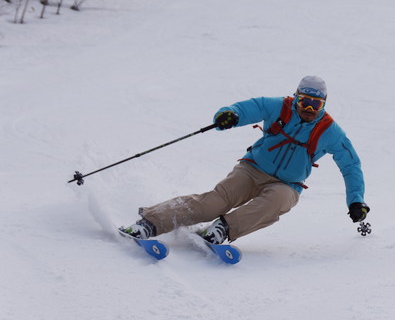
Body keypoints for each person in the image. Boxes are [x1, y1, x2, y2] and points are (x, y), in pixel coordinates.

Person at [121, 76, 369, 244]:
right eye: (305, 101)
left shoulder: (330, 131)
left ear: (324, 105)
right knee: (213, 204)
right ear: (296, 98)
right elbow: (247, 108)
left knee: (277, 201)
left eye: (316, 104)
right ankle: (150, 223)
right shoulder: (278, 107)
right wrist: (228, 116)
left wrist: (355, 201)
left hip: (286, 185)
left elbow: (351, 166)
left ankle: (223, 229)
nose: (309, 108)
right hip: (251, 170)